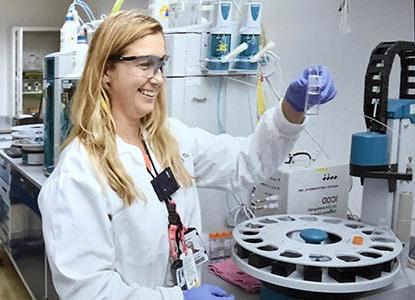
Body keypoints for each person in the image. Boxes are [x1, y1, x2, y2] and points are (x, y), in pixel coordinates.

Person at [38, 10, 336, 300]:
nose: (157, 78)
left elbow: (245, 162)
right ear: (105, 72)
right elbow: (88, 292)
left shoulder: (170, 138)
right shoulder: (79, 172)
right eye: (145, 64)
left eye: (160, 64)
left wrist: (292, 110)